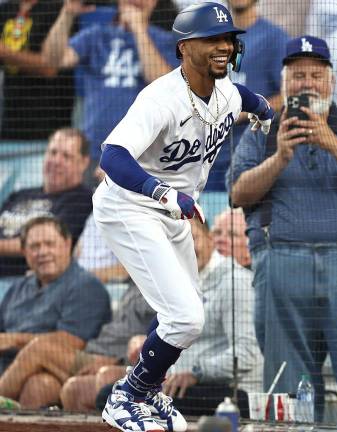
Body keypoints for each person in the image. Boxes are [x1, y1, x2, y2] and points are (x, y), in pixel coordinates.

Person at [91, 2, 274, 431]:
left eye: (228, 38)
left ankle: (149, 391)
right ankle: (128, 396)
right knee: (186, 316)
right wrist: (160, 191)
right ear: (185, 47)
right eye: (212, 39)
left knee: (186, 319)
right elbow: (112, 155)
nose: (224, 46)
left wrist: (264, 111)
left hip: (172, 213)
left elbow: (246, 99)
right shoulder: (161, 98)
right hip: (131, 207)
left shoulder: (226, 91)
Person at [229, 35, 337, 423]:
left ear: (332, 80)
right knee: (289, 384)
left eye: (315, 74)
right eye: (296, 76)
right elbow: (238, 193)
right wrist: (280, 157)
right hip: (280, 260)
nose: (306, 83)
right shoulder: (263, 129)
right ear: (284, 83)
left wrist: (329, 140)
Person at [87, 219, 259, 420]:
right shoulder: (179, 283)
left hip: (230, 391)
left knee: (113, 399)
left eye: (191, 239)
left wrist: (196, 373)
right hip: (181, 381)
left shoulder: (235, 282)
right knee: (110, 395)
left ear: (210, 239)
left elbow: (247, 353)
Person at [42, 0, 179, 162]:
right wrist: (67, 14)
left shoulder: (165, 41)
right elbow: (52, 60)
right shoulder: (96, 36)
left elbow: (163, 85)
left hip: (141, 156)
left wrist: (139, 31)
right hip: (93, 153)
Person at [0, 216, 111, 408]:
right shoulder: (16, 289)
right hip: (6, 367)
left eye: (49, 244)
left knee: (40, 385)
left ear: (68, 244)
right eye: (35, 246)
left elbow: (71, 341)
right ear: (24, 252)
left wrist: (14, 339)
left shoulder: (86, 286)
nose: (43, 252)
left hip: (62, 370)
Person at [0, 281, 154, 411]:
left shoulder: (163, 289)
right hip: (93, 353)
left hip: (111, 361)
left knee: (39, 349)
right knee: (39, 384)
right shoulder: (136, 280)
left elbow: (156, 342)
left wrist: (119, 361)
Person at [206, 0, 289, 191]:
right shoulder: (210, 38)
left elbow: (287, 94)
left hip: (250, 156)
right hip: (208, 156)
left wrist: (243, 110)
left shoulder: (274, 38)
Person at [0, 127, 92, 277]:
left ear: (83, 163)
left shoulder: (82, 200)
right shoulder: (20, 195)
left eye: (66, 156)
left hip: (25, 281)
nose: (56, 161)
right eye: (53, 152)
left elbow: (49, 242)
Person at [0, 0, 73, 139]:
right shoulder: (6, 9)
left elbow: (50, 68)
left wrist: (5, 53)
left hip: (48, 123)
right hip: (11, 120)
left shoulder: (60, 9)